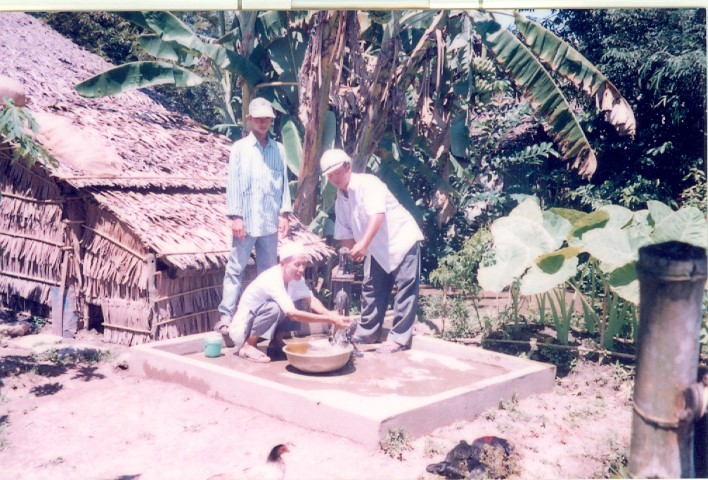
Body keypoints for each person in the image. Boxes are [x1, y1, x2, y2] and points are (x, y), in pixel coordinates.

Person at [320, 148, 424, 353]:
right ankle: (367, 333)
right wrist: (347, 260)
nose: (334, 178)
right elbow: (345, 233)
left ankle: (398, 339)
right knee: (372, 290)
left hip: (401, 239)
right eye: (330, 176)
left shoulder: (368, 184)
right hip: (376, 248)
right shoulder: (340, 200)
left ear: (348, 167)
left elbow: (377, 215)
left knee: (405, 289)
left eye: (337, 172)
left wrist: (363, 245)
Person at [215, 97, 292, 339]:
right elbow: (233, 184)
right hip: (246, 222)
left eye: (267, 119)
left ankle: (263, 319)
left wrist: (284, 214)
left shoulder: (279, 150)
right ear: (249, 120)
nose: (263, 123)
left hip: (269, 223)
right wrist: (236, 216)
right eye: (258, 119)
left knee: (268, 273)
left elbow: (283, 184)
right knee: (235, 269)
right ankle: (226, 316)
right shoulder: (239, 148)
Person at [229, 242, 351, 363]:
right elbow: (292, 314)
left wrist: (329, 313)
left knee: (296, 302)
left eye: (304, 264)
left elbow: (310, 299)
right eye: (297, 264)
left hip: (261, 327)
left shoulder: (296, 278)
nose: (301, 269)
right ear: (283, 264)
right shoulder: (272, 279)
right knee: (276, 308)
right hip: (244, 329)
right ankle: (248, 345)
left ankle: (276, 343)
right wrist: (330, 320)